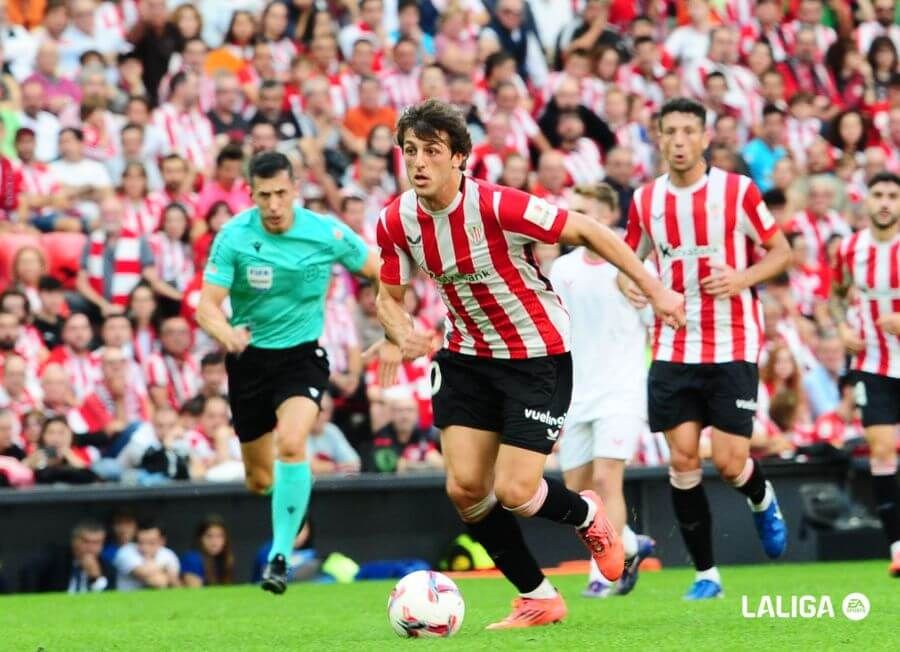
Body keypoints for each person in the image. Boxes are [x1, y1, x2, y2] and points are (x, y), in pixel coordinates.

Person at [374, 99, 684, 629]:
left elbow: (588, 230)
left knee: (516, 492)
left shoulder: (498, 206)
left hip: (535, 356)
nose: (419, 162)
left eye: (431, 151)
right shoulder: (396, 220)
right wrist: (400, 331)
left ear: (460, 158)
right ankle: (538, 596)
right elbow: (387, 296)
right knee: (466, 489)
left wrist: (655, 290)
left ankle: (590, 516)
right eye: (410, 151)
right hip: (466, 356)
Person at [620, 97, 791, 600]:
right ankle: (706, 574)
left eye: (687, 132)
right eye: (668, 131)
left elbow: (781, 253)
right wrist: (634, 286)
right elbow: (629, 263)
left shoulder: (736, 192)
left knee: (732, 461)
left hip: (733, 341)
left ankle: (761, 499)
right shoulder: (646, 200)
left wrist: (742, 277)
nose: (677, 141)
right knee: (684, 460)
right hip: (673, 345)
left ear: (704, 138)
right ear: (657, 137)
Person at [196, 151, 388, 596]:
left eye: (282, 193)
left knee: (293, 441)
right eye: (265, 196)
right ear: (251, 194)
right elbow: (206, 305)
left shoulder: (325, 231)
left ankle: (279, 555)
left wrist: (394, 329)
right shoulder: (233, 236)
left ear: (295, 189)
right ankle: (289, 499)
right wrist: (225, 332)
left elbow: (382, 271)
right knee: (260, 479)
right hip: (249, 362)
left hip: (302, 356)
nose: (274, 204)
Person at [550, 183, 656, 598]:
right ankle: (629, 543)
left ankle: (602, 570)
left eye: (585, 209)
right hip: (577, 392)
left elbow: (659, 321)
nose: (576, 217)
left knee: (608, 479)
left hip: (622, 390)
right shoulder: (563, 269)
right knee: (578, 492)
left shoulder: (631, 266)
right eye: (573, 209)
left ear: (609, 214)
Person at [829, 171, 900, 577]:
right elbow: (837, 297)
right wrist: (841, 327)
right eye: (878, 195)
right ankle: (896, 547)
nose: (885, 202)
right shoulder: (851, 249)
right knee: (882, 451)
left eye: (893, 195)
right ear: (867, 201)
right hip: (873, 365)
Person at [19, 520, 116, 593]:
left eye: (96, 543)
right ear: (74, 541)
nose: (90, 548)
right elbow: (29, 573)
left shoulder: (107, 567)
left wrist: (96, 578)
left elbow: (108, 600)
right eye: (86, 542)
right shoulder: (55, 558)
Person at [113, 519, 181, 591]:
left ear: (162, 541)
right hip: (127, 601)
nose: (145, 548)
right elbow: (156, 582)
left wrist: (166, 576)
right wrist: (164, 568)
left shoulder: (168, 554)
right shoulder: (125, 551)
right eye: (141, 542)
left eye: (151, 543)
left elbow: (175, 583)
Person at [181, 515, 235, 587]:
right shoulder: (193, 559)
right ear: (200, 538)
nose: (214, 542)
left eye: (219, 536)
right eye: (209, 536)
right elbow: (195, 593)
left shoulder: (225, 559)